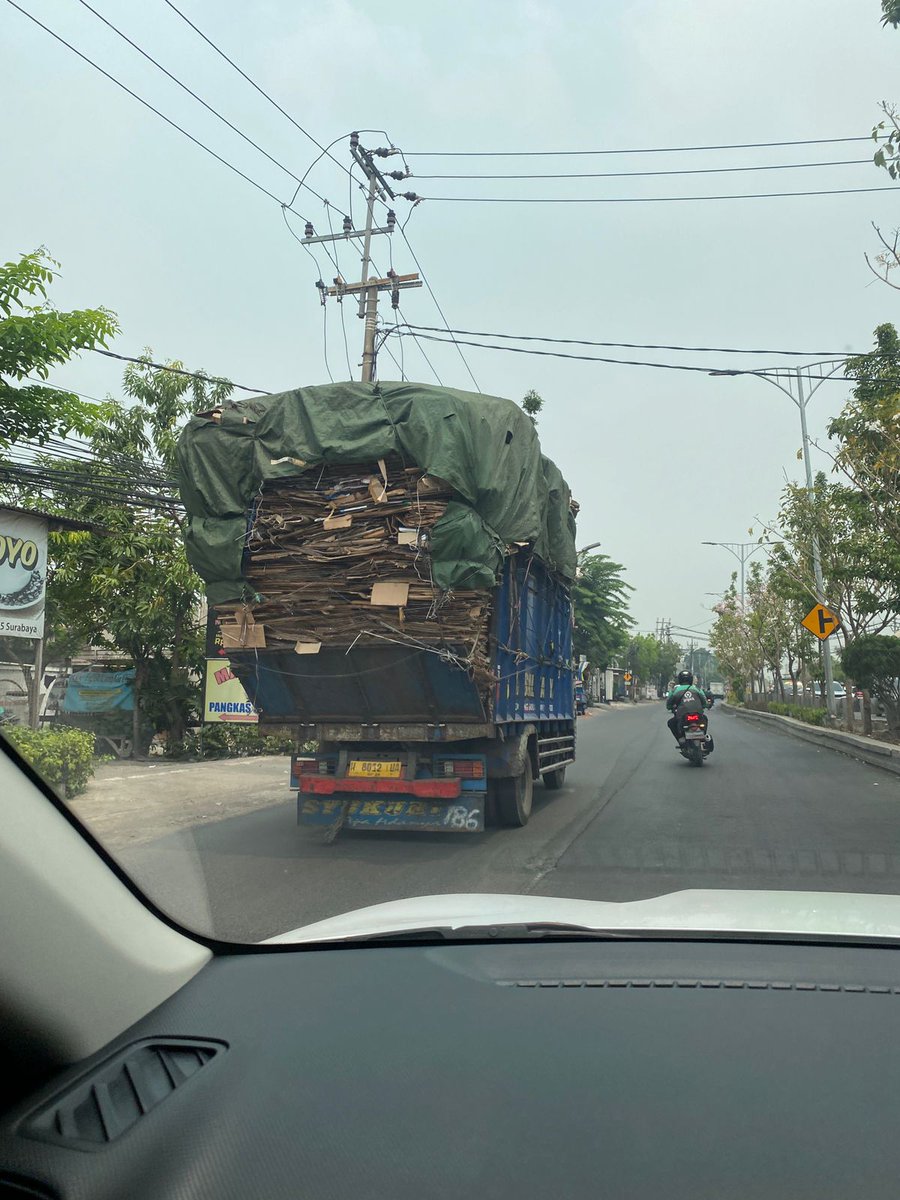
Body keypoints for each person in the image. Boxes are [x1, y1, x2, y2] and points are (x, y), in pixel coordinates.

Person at [665, 671, 712, 747]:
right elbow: (705, 702)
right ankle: (703, 736)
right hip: (698, 714)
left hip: (682, 716)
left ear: (680, 680)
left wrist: (671, 707)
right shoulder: (697, 689)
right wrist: (703, 706)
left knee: (671, 723)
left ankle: (681, 738)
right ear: (691, 679)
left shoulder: (674, 690)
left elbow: (668, 704)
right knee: (705, 719)